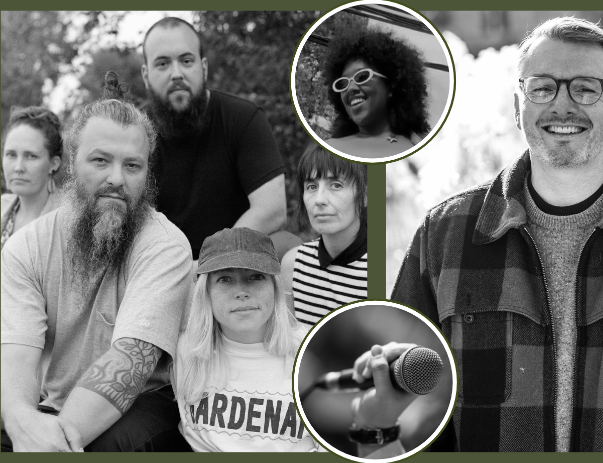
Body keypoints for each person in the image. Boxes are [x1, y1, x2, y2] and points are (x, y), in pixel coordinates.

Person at [385, 17, 603, 452]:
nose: (562, 106)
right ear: (517, 107)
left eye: (586, 88)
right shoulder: (445, 235)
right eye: (542, 88)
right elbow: (408, 407)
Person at [1, 72, 193, 452]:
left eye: (133, 166)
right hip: (47, 401)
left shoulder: (166, 246)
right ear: (71, 164)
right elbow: (17, 353)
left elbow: (130, 363)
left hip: (140, 401)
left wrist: (49, 444)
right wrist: (21, 419)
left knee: (119, 444)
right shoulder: (25, 247)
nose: (116, 179)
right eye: (101, 161)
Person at [141, 17, 292, 260]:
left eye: (186, 61)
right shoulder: (133, 133)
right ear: (146, 75)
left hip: (234, 259)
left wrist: (211, 264)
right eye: (163, 64)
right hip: (160, 267)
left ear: (204, 67)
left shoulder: (242, 118)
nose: (176, 74)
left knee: (287, 247)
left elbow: (272, 210)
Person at [174, 227, 322, 452]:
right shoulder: (185, 351)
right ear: (206, 292)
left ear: (274, 287)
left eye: (255, 277)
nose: (241, 291)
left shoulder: (315, 351)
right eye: (225, 279)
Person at [281, 144, 367, 326]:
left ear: (365, 194)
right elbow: (288, 348)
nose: (319, 200)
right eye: (311, 186)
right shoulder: (293, 265)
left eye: (336, 185)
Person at [323, 29, 430, 158]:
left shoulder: (422, 150)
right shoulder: (327, 150)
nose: (350, 88)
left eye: (362, 77)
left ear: (391, 86)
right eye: (342, 84)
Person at [1, 106, 63, 249]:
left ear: (53, 164)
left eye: (31, 156)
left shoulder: (67, 221)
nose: (18, 167)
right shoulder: (2, 205)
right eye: (11, 154)